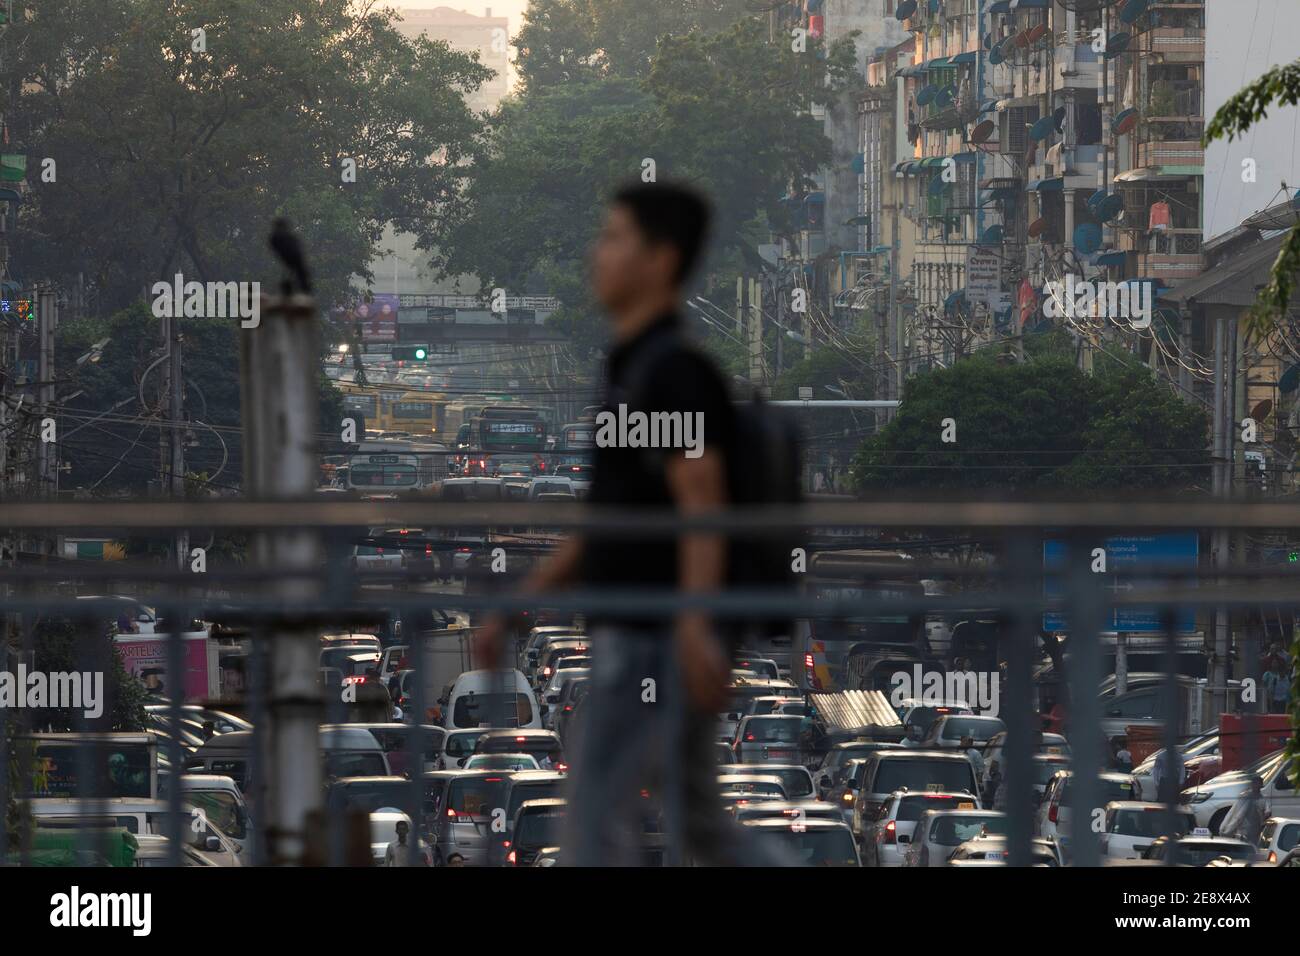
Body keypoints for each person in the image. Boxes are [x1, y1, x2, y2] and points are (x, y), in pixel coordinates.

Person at [475, 181, 780, 867]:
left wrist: (696, 622)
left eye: (615, 238)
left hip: (652, 638)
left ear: (661, 260)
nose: (597, 254)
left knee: (591, 827)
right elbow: (607, 520)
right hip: (643, 634)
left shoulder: (673, 372)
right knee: (700, 830)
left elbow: (702, 500)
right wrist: (520, 604)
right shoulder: (628, 366)